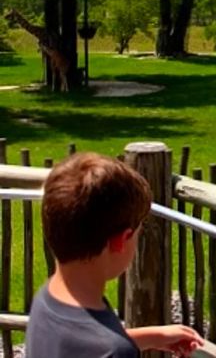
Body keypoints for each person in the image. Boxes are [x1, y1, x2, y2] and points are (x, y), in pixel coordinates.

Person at [25, 152, 204, 358]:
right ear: (121, 240)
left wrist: (153, 336)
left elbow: (82, 346)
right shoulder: (114, 351)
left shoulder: (47, 299)